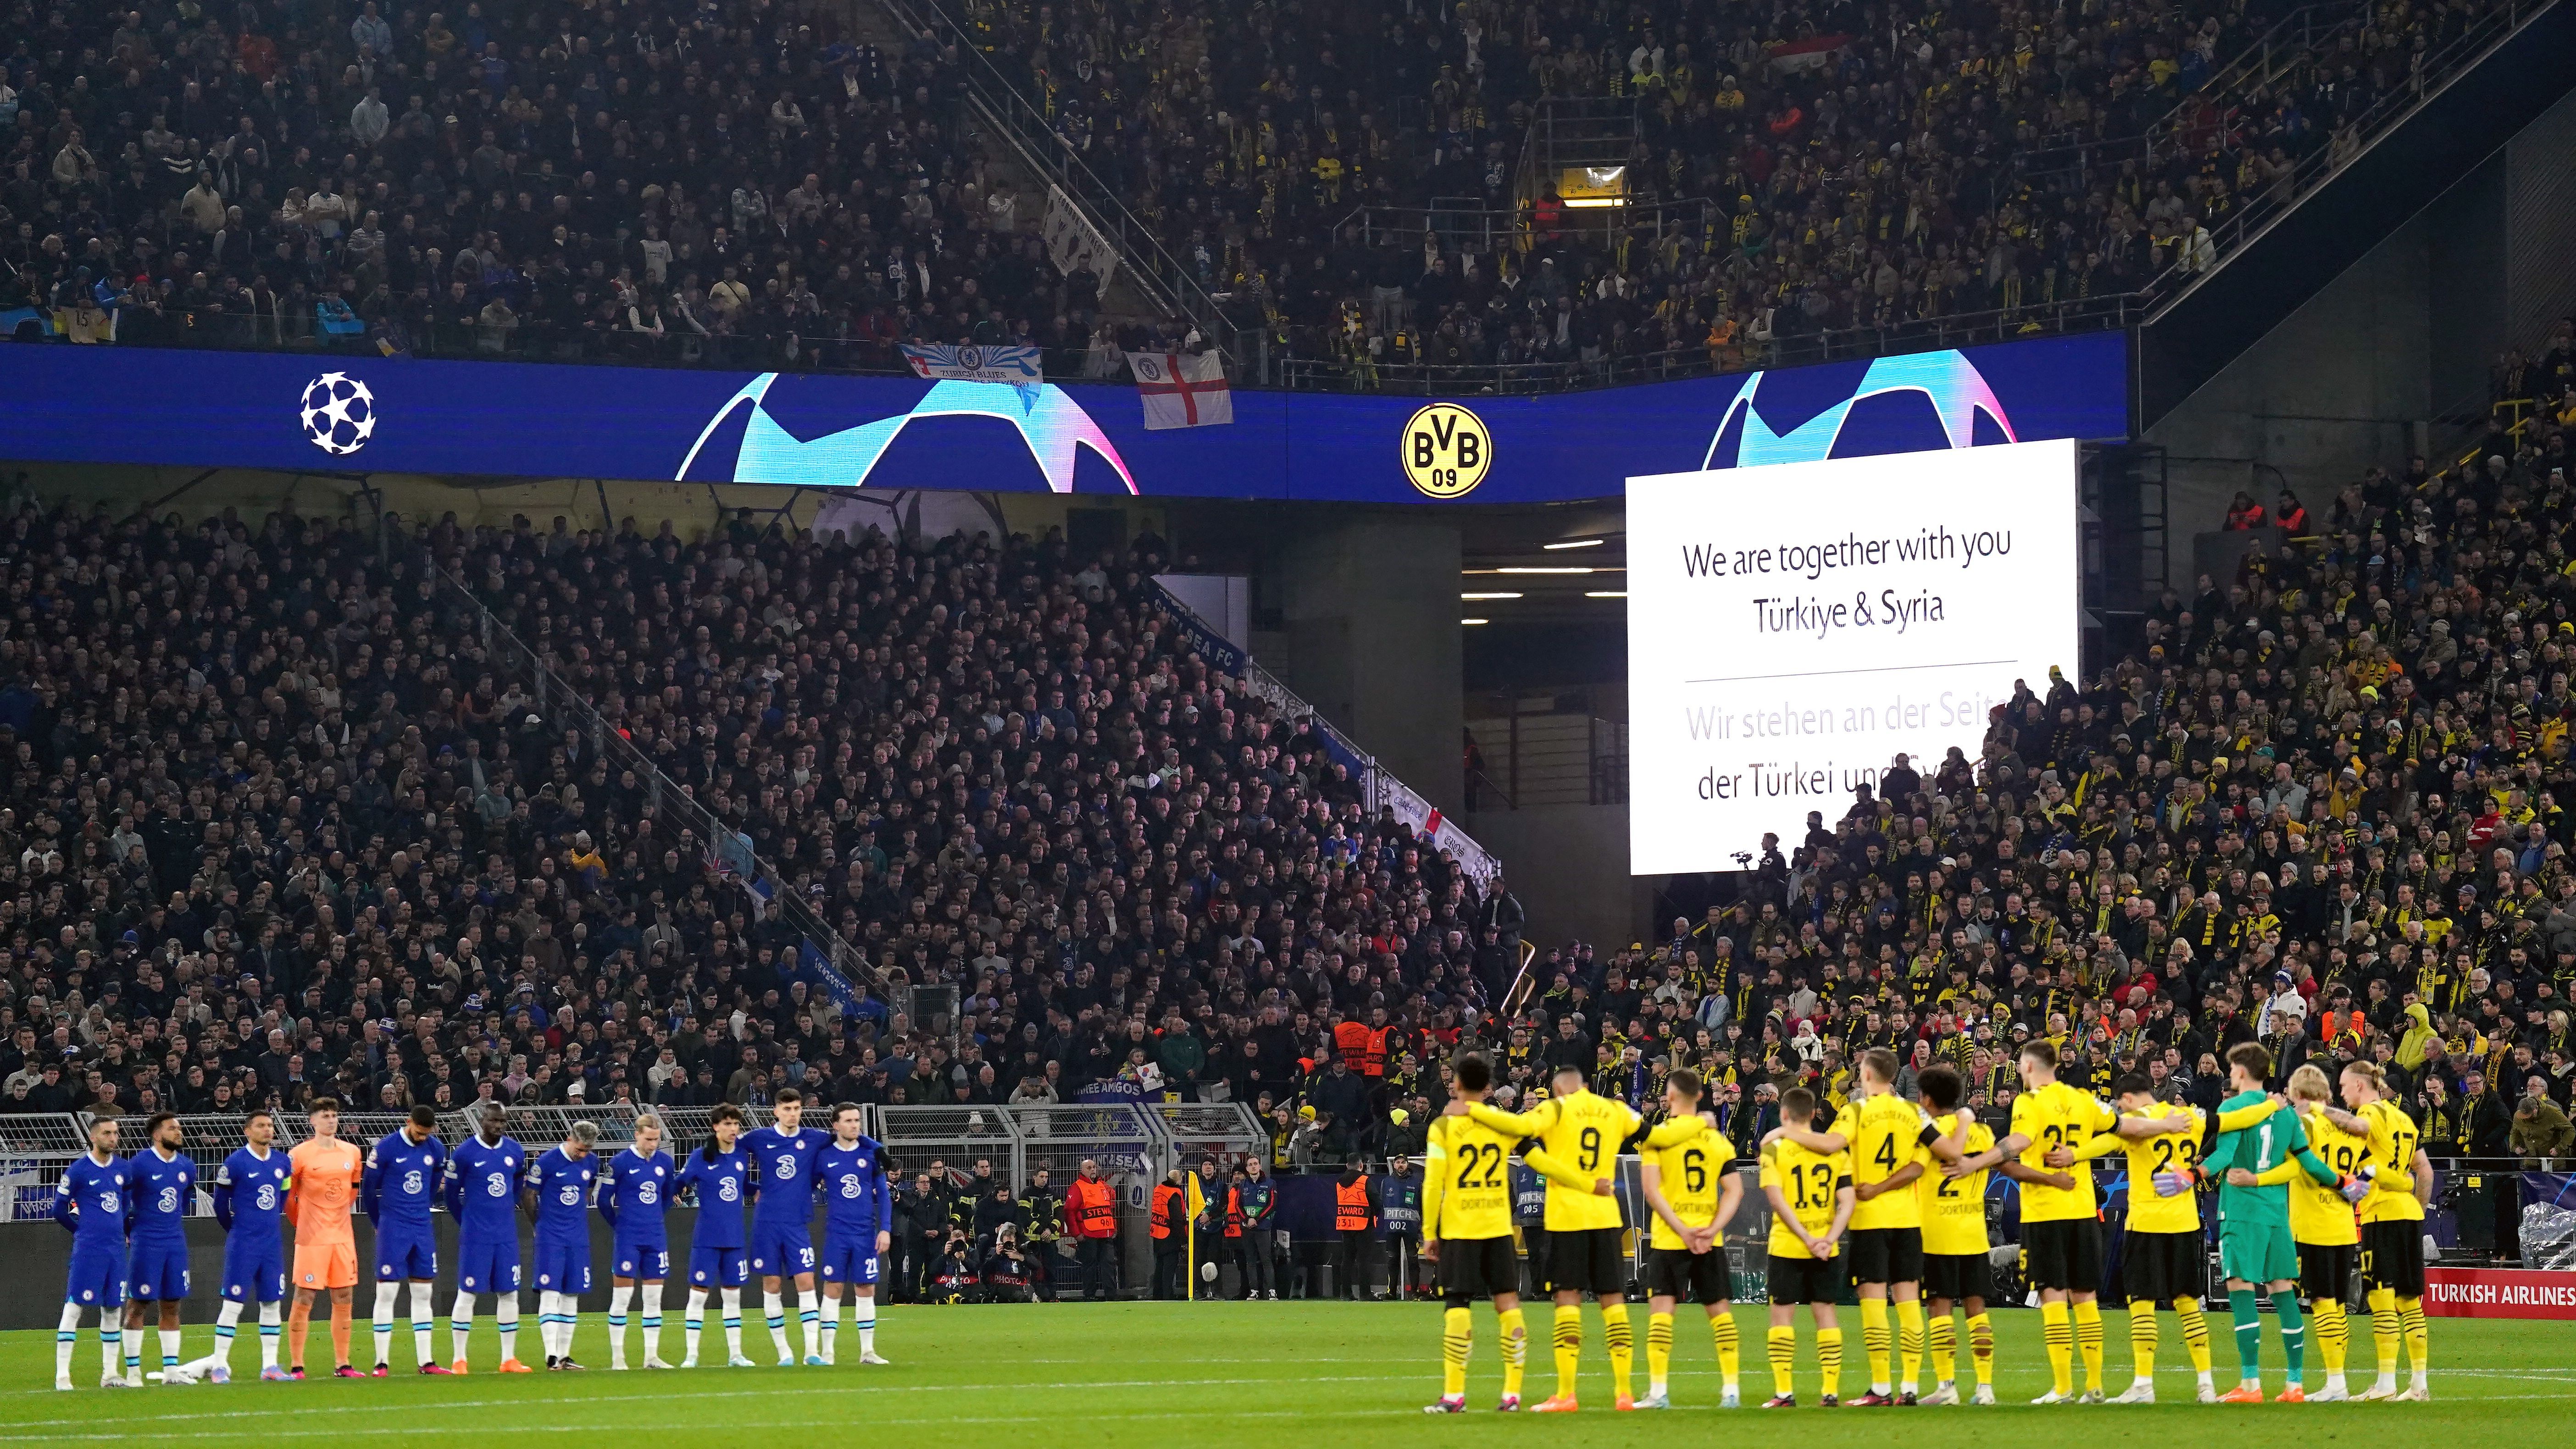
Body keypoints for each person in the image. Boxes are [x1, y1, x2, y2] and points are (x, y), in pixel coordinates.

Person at [1944, 1039, 2191, 1403]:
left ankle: (2062, 1387)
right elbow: (2125, 1127)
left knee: (2053, 1296)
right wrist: (2165, 1123)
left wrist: (1975, 1162)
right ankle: (2094, 1385)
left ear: (2029, 1067)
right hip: (2083, 1211)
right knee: (2086, 1296)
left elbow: (2019, 1141)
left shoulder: (2029, 1101)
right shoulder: (2083, 1099)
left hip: (2045, 1213)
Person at [1765, 1046, 1958, 1404]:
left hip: (1870, 1220)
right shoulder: (1914, 1112)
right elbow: (1941, 1155)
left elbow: (1830, 1144)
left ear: (1866, 1074)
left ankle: (1881, 1387)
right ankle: (1910, 1386)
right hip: (1907, 1219)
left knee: (1874, 1304)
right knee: (1909, 1303)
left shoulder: (1856, 1110)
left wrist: (1783, 1133)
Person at [1465, 1061, 1650, 1411]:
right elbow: (1651, 1133)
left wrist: (1475, 1107)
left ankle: (1566, 1393)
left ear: (1559, 1088)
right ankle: (1624, 1392)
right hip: (1606, 1215)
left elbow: (1519, 1126)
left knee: (1568, 1300)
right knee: (1613, 1300)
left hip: (1568, 1218)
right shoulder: (1613, 1109)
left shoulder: (1557, 1108)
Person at [1421, 1049, 1577, 1412]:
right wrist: (1581, 1180)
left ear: (1457, 1083)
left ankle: (1454, 1394)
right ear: (1488, 1088)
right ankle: (1512, 1394)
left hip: (1460, 1226)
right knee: (1508, 1303)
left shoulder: (1443, 1126)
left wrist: (1429, 1231)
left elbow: (1432, 1184)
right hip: (1497, 1226)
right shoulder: (1504, 1123)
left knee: (1457, 1304)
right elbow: (1538, 1159)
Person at [2203, 1041, 2353, 1402]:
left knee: (2240, 1288)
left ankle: (2250, 1384)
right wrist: (2343, 1182)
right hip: (2277, 1214)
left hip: (2241, 1211)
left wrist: (2194, 1174)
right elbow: (2307, 1163)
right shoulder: (2286, 1114)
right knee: (2282, 1290)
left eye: (2232, 1068)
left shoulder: (2233, 1106)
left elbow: (2224, 1154)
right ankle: (2295, 1384)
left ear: (2241, 1071)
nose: (2231, 1074)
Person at [2065, 1073, 2215, 1403]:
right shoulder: (2188, 1116)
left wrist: (2074, 1155)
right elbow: (2231, 1122)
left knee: (2143, 1303)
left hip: (2146, 1223)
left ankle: (2144, 1385)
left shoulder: (2136, 1123)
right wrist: (2270, 1106)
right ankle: (2206, 1384)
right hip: (2185, 1222)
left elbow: (2107, 1141)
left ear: (2127, 1099)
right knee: (2188, 1303)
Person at [1637, 1067, 1746, 1410]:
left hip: (1671, 1238)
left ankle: (1658, 1392)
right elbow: (1735, 1190)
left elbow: (1651, 1190)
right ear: (1701, 1096)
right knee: (1720, 1313)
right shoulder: (1717, 1140)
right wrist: (1712, 1229)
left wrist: (1682, 1230)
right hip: (1708, 1239)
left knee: (1661, 1313)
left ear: (1669, 1096)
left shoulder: (1658, 1137)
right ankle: (1731, 1390)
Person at [2337, 1060, 2434, 1399]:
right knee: (2409, 1299)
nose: (2341, 1092)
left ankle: (2385, 1384)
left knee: (2381, 1297)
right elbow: (2425, 1170)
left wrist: (2319, 1112)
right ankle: (2419, 1384)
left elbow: (2360, 1132)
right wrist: (2417, 1208)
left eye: (2344, 1086)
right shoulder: (2404, 1118)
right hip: (2408, 1215)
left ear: (2360, 1085)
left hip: (2382, 1216)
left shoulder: (2370, 1113)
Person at [1758, 1085, 1853, 1408]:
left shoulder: (1774, 1150)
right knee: (1826, 1313)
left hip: (1787, 1244)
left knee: (1782, 1315)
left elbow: (1777, 1200)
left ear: (1784, 1114)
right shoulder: (1836, 1152)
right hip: (1826, 1246)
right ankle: (1831, 1391)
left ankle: (1784, 1392)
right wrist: (1828, 1238)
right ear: (1814, 1114)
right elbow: (1848, 1202)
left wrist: (1804, 1237)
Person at [2279, 1064, 2368, 1401]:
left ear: (2296, 1093)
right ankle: (2338, 1380)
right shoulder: (2346, 1125)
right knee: (2339, 1306)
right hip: (2344, 1224)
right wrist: (2358, 1185)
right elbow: (2371, 1161)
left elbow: (2298, 1162)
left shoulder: (2303, 1122)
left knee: (2322, 1303)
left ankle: (2335, 1383)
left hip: (2312, 1223)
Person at [183, 1108, 291, 1382]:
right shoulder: (235, 1163)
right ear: (248, 1131)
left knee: (272, 1303)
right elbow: (220, 1205)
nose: (267, 1130)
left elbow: (284, 1194)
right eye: (261, 1126)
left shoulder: (282, 1162)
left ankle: (270, 1366)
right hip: (243, 1244)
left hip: (271, 1245)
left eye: (270, 1125)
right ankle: (220, 1365)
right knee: (233, 1304)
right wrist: (237, 1230)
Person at [1911, 1066, 1997, 1405]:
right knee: (1977, 1308)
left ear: (1925, 1098)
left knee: (1940, 1308)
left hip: (1936, 1232)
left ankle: (1947, 1387)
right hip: (1973, 1231)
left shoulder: (1927, 1134)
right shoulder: (1983, 1132)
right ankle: (1985, 1387)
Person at [443, 1101, 533, 1372]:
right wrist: (467, 1222)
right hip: (476, 1236)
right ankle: (459, 1359)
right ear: (483, 1120)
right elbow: (451, 1195)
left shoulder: (514, 1150)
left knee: (509, 1292)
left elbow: (517, 1187)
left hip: (505, 1235)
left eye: (503, 1122)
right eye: (494, 1120)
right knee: (468, 1292)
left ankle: (508, 1359)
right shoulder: (465, 1153)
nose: (498, 1126)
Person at [360, 1104, 449, 1375]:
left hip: (421, 1226)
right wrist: (379, 1223)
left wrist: (422, 1207)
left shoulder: (436, 1149)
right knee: (387, 1292)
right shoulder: (387, 1148)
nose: (422, 1138)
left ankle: (426, 1361)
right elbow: (368, 1188)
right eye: (419, 1132)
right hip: (393, 1227)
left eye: (426, 1134)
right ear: (409, 1122)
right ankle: (381, 1362)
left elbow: (433, 1184)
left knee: (423, 1293)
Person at [745, 1088, 830, 1363]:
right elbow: (728, 1153)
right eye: (787, 1109)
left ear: (801, 1110)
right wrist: (751, 1188)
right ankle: (784, 1353)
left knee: (807, 1281)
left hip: (796, 1224)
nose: (792, 1114)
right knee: (772, 1285)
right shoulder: (759, 1138)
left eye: (796, 1109)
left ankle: (812, 1352)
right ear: (776, 1111)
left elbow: (846, 1141)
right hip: (766, 1224)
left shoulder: (815, 1138)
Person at [52, 1116, 133, 1389]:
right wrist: (81, 1232)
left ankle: (109, 1374)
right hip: (89, 1250)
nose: (113, 1138)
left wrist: (124, 1231)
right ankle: (62, 1376)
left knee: (113, 1309)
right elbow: (59, 1209)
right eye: (107, 1133)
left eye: (115, 1133)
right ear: (93, 1137)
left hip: (116, 1250)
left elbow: (125, 1206)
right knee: (74, 1307)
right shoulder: (79, 1171)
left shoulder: (123, 1169)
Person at [814, 1103, 893, 1365]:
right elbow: (807, 1186)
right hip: (837, 1233)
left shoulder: (870, 1154)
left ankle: (867, 1351)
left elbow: (883, 1195)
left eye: (857, 1120)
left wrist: (885, 1229)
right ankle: (827, 1353)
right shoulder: (825, 1155)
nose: (854, 1125)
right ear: (836, 1125)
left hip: (865, 1233)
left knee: (866, 1287)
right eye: (848, 1121)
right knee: (833, 1287)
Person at [599, 1112, 678, 1370]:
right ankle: (618, 1359)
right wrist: (619, 1225)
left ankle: (651, 1357)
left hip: (656, 1238)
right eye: (648, 1139)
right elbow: (603, 1200)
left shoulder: (665, 1163)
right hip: (628, 1238)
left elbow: (668, 1196)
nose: (653, 1145)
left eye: (656, 1140)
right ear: (637, 1135)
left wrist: (655, 1219)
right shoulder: (620, 1162)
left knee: (654, 1299)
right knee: (622, 1298)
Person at [123, 1111, 198, 1384]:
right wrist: (130, 1232)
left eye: (179, 1128)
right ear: (157, 1135)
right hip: (147, 1242)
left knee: (172, 1305)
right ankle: (133, 1372)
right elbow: (123, 1202)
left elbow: (185, 1198)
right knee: (138, 1305)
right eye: (172, 1128)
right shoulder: (139, 1164)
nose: (179, 1132)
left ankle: (171, 1372)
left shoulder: (187, 1166)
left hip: (175, 1242)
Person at [675, 1104, 752, 1367]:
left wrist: (760, 1190)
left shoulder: (741, 1154)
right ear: (716, 1127)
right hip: (707, 1238)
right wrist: (668, 1194)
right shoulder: (701, 1156)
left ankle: (736, 1355)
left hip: (734, 1237)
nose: (733, 1129)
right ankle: (692, 1356)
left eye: (736, 1124)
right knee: (698, 1295)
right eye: (728, 1124)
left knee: (732, 1296)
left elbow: (743, 1185)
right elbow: (680, 1182)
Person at [525, 1120, 602, 1369]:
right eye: (579, 1149)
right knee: (550, 1292)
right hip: (551, 1235)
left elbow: (589, 1189)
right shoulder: (547, 1162)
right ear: (570, 1139)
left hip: (578, 1236)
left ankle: (564, 1356)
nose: (583, 1154)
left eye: (587, 1150)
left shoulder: (592, 1162)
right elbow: (528, 1195)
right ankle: (551, 1355)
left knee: (572, 1293)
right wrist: (538, 1225)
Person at [1065, 1158, 1120, 1300]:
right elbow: (1069, 1212)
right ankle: (1089, 1296)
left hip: (1106, 1234)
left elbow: (1110, 1209)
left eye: (1094, 1167)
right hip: (1088, 1235)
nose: (1093, 1170)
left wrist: (1113, 1227)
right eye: (1089, 1168)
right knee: (1089, 1266)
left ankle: (1111, 1296)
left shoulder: (1103, 1186)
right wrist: (1076, 1234)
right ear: (1082, 1170)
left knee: (1109, 1265)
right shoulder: (1078, 1187)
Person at [1332, 1161, 1378, 1299]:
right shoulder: (1365, 1180)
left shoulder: (1339, 1182)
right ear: (1361, 1165)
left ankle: (1346, 1293)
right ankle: (1365, 1293)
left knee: (1347, 1260)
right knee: (1364, 1261)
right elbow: (1376, 1201)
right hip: (1364, 1224)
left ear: (1347, 1165)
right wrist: (1374, 1215)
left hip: (1346, 1224)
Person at [1235, 1157, 1278, 1299]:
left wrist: (1257, 1219)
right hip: (1247, 1228)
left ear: (1260, 1166)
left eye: (1255, 1164)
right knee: (1250, 1260)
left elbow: (1272, 1205)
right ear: (1247, 1169)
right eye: (1250, 1165)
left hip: (1263, 1227)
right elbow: (1238, 1206)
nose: (1253, 1167)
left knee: (1266, 1259)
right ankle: (1254, 1291)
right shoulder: (1243, 1185)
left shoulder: (1270, 1183)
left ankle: (1272, 1291)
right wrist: (1247, 1220)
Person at [1151, 1165, 1190, 1300]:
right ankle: (1167, 1296)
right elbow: (1177, 1219)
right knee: (1169, 1268)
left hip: (1157, 1233)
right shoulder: (1174, 1193)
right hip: (1170, 1235)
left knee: (1160, 1267)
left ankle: (1157, 1295)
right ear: (1178, 1180)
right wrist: (1184, 1240)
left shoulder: (1158, 1189)